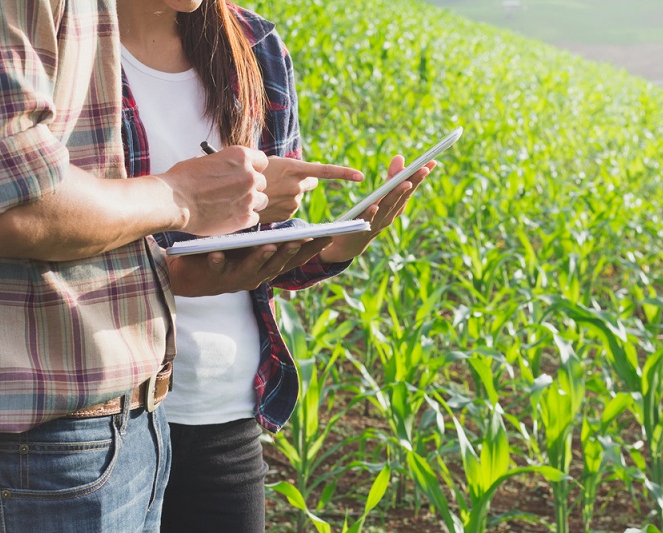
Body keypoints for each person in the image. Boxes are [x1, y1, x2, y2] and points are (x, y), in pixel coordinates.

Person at [116, 1, 433, 531]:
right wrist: (186, 209)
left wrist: (338, 243)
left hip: (226, 411)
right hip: (107, 420)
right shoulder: (68, 43)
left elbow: (263, 258)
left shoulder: (255, 46)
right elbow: (48, 225)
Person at [0, 1, 277, 531]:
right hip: (48, 436)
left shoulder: (252, 44)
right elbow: (9, 204)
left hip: (137, 417)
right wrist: (180, 196)